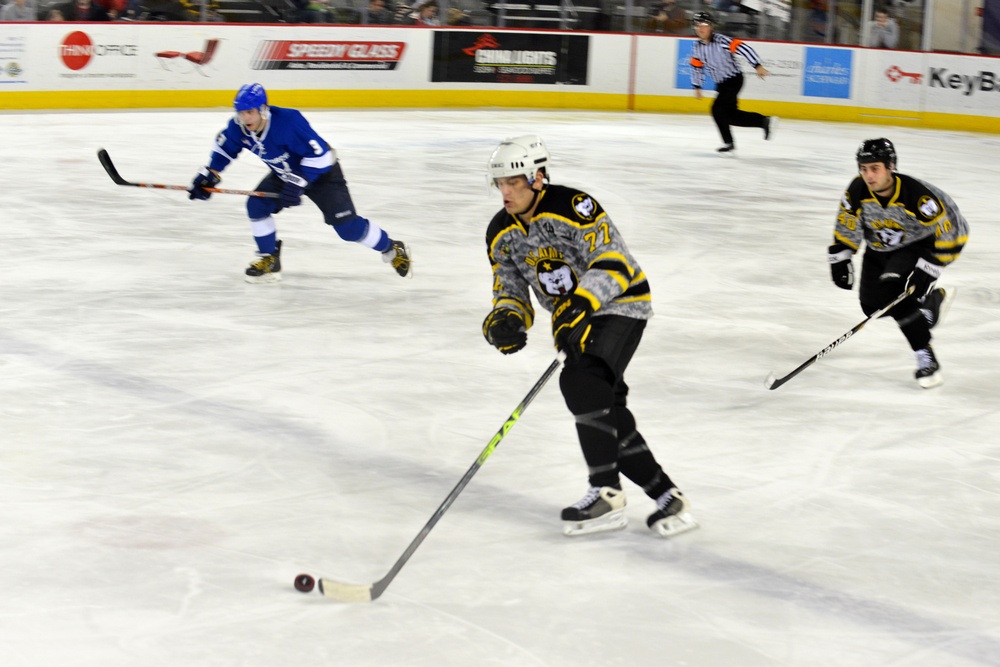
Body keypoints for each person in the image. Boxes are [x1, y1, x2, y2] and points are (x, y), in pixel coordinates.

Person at [482, 135, 699, 539]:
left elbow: (613, 261)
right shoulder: (500, 231)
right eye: (500, 183)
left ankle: (606, 493)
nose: (505, 191)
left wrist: (579, 305)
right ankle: (668, 496)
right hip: (573, 317)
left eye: (514, 182)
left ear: (538, 177)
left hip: (620, 304)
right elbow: (508, 288)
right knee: (602, 405)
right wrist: (505, 320)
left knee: (580, 380)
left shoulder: (574, 207)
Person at [188, 84, 412, 283]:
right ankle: (269, 258)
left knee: (347, 229)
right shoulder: (238, 127)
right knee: (256, 205)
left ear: (263, 109)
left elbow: (323, 155)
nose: (245, 118)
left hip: (322, 174)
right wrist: (210, 174)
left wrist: (298, 183)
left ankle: (392, 248)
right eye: (241, 112)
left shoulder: (288, 122)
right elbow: (226, 149)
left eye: (250, 112)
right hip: (285, 173)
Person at [829, 138, 968, 388]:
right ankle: (927, 310)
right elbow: (848, 219)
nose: (868, 175)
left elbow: (952, 230)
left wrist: (931, 266)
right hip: (878, 250)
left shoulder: (917, 195)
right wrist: (841, 254)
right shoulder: (858, 190)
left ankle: (925, 357)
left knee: (892, 291)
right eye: (863, 168)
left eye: (875, 168)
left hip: (917, 247)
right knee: (873, 307)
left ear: (890, 166)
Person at [689, 11, 776, 153]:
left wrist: (757, 65)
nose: (700, 28)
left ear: (711, 26)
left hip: (734, 79)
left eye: (704, 25)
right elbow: (696, 66)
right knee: (730, 116)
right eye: (697, 25)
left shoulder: (722, 41)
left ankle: (729, 143)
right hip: (722, 84)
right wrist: (697, 85)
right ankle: (763, 121)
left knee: (717, 109)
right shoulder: (697, 47)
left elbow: (744, 48)